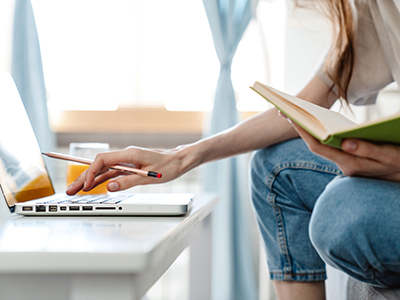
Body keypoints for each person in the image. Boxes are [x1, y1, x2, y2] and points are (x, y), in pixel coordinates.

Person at [66, 0, 400, 299]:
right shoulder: (372, 8)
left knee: (339, 213)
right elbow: (306, 104)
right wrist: (181, 157)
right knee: (274, 167)